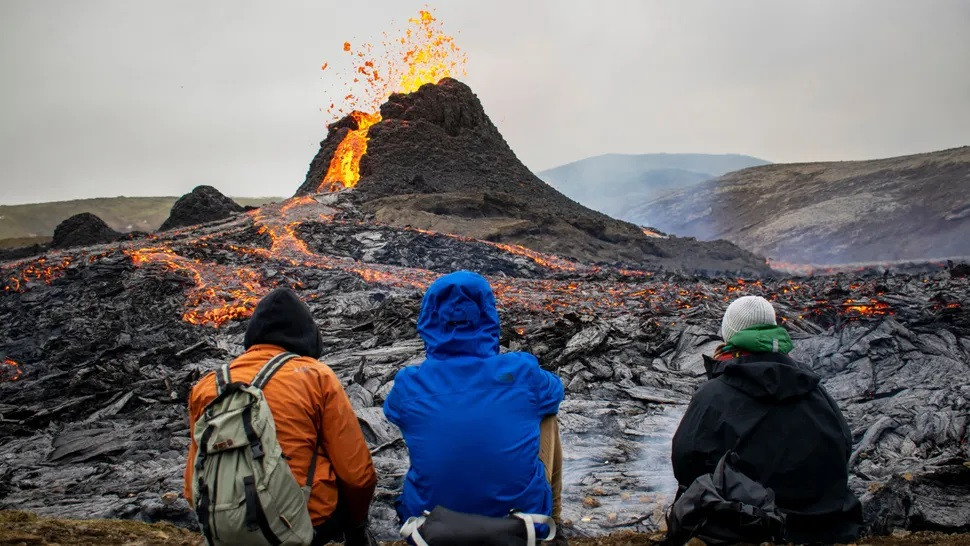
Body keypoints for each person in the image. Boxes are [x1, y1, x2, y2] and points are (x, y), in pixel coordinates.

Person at [184, 288, 378, 545]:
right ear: (308, 336)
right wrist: (356, 526)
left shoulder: (209, 385)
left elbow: (191, 485)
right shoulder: (315, 376)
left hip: (225, 526)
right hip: (306, 523)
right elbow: (357, 476)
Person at [383, 271, 566, 537]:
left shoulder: (409, 384)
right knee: (546, 413)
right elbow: (556, 392)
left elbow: (393, 412)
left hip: (430, 527)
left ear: (429, 319)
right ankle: (555, 525)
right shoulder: (521, 370)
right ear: (488, 315)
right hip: (518, 525)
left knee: (424, 425)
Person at [670, 295, 863, 543]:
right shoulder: (814, 388)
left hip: (749, 526)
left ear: (729, 335)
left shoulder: (713, 395)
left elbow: (685, 463)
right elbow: (843, 446)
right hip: (827, 525)